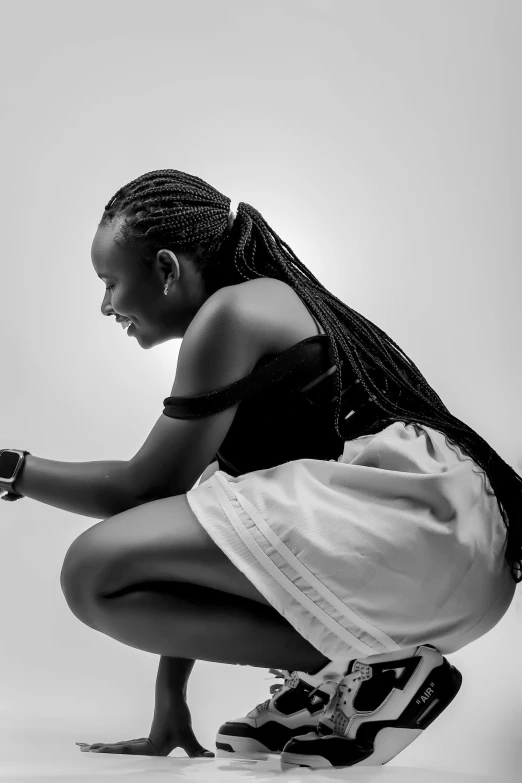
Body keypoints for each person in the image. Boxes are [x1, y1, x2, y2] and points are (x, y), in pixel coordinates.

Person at [1, 169, 519, 771]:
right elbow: (201, 530)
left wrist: (13, 467)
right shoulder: (250, 314)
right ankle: (360, 683)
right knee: (123, 561)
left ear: (166, 270)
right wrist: (170, 703)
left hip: (418, 536)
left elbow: (144, 489)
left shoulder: (232, 314)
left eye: (111, 282)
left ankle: (375, 674)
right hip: (448, 560)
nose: (105, 305)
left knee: (92, 569)